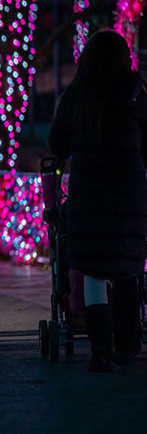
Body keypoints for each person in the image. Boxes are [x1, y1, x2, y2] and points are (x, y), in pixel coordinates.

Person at [48, 30, 147, 372]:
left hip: (88, 192)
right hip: (128, 191)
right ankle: (128, 342)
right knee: (127, 269)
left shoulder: (78, 95)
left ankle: (101, 349)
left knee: (91, 273)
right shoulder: (135, 92)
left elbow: (57, 142)